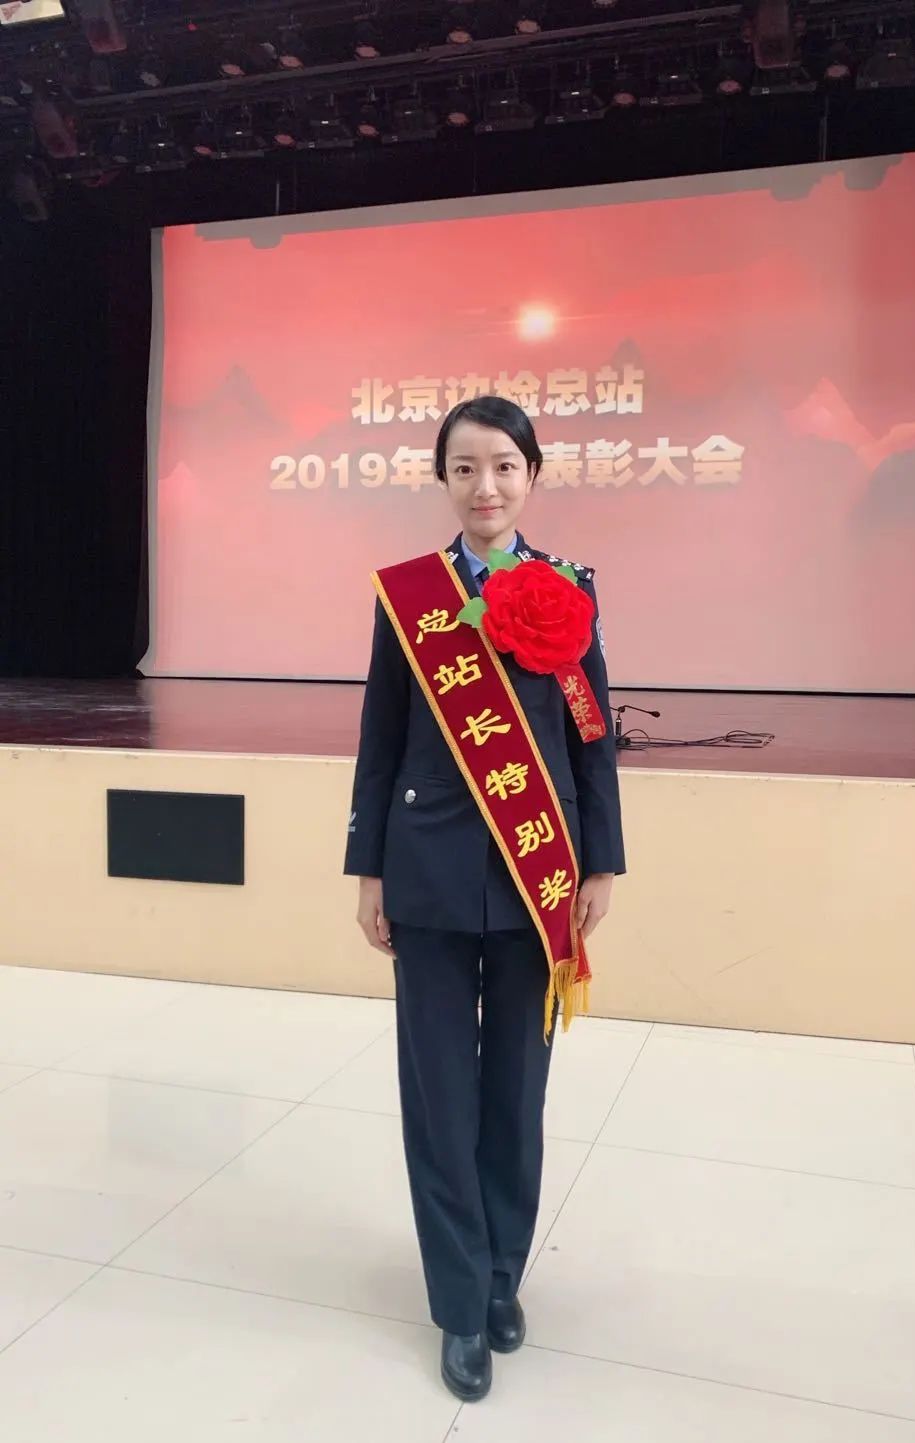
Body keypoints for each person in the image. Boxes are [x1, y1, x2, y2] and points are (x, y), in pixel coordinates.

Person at [345, 395, 625, 1401]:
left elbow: (591, 735)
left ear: (532, 474)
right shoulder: (409, 597)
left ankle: (504, 1273)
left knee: (514, 1092)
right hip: (423, 869)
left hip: (536, 873)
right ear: (443, 479)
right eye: (464, 468)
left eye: (504, 465)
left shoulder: (569, 589)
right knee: (439, 1097)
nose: (486, 486)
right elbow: (380, 739)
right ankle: (461, 1304)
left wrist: (600, 863)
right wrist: (368, 869)